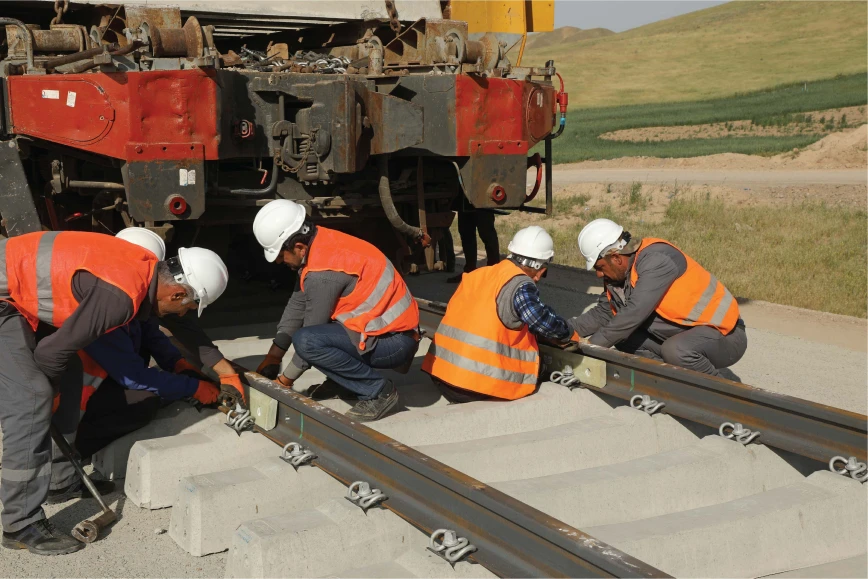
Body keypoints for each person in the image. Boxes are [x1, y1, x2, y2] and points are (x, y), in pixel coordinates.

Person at [0, 230, 228, 556]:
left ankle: (60, 481)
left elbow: (144, 333)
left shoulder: (142, 270)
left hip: (11, 295)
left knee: (70, 369)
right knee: (32, 397)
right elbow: (52, 355)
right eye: (187, 307)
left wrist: (185, 367)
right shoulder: (120, 295)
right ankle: (20, 523)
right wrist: (51, 391)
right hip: (4, 303)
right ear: (177, 293)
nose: (182, 315)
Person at [252, 200, 420, 422]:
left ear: (299, 247)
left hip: (395, 342)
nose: (279, 262)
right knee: (318, 335)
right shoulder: (319, 242)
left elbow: (309, 339)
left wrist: (284, 381)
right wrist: (274, 356)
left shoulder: (323, 273)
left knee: (308, 341)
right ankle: (345, 381)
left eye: (281, 256)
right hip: (385, 333)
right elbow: (298, 302)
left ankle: (379, 391)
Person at [570, 218, 747, 376]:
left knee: (675, 350)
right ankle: (670, 381)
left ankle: (722, 393)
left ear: (616, 258)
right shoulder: (618, 276)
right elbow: (604, 313)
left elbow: (633, 313)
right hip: (684, 334)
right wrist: (565, 331)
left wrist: (589, 347)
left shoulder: (656, 260)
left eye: (600, 267)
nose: (599, 275)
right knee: (624, 338)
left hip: (726, 335)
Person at [423, 226, 574, 402]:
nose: (539, 277)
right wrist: (566, 332)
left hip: (440, 376)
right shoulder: (520, 284)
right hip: (472, 387)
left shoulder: (478, 274)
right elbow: (539, 319)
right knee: (536, 365)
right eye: (543, 270)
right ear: (537, 265)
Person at [115, 228, 246, 406]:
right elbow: (131, 374)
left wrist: (176, 362)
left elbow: (152, 332)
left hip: (112, 367)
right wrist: (191, 388)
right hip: (87, 387)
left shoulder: (141, 297)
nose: (182, 313)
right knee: (145, 400)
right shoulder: (113, 311)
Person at [446, 201, 500, 283]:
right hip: (464, 199)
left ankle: (494, 272)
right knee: (466, 231)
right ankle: (469, 271)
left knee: (487, 232)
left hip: (483, 199)